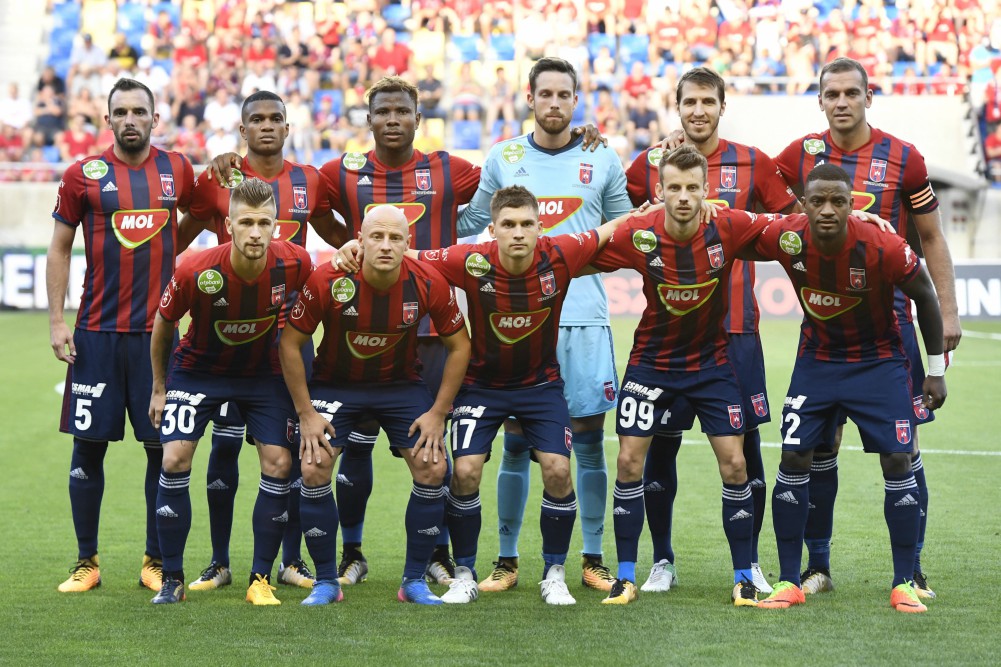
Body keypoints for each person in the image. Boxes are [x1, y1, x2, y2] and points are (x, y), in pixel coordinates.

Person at [337, 186, 630, 604]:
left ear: (540, 228)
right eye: (508, 224)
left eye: (526, 224)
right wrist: (356, 247)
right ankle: (464, 574)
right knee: (465, 471)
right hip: (482, 387)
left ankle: (554, 574)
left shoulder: (561, 253)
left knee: (558, 470)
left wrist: (648, 210)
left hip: (541, 386)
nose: (518, 233)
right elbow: (411, 254)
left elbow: (610, 229)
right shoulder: (470, 260)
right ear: (492, 230)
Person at [774, 56, 961, 599]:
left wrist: (948, 311)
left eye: (851, 93)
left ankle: (912, 569)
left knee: (904, 446)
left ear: (867, 97)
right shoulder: (801, 153)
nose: (841, 102)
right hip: (824, 327)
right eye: (831, 94)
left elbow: (931, 237)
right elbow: (755, 182)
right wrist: (682, 143)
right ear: (820, 100)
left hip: (890, 326)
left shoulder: (904, 157)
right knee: (819, 445)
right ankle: (818, 567)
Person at [457, 57, 632, 593]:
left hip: (583, 319)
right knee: (515, 443)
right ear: (529, 98)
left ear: (576, 101)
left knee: (588, 441)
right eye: (546, 94)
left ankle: (592, 557)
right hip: (519, 321)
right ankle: (507, 560)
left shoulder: (600, 156)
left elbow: (625, 228)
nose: (555, 103)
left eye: (564, 94)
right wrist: (403, 216)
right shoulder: (503, 157)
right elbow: (471, 221)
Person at [625, 67, 800, 594]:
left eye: (708, 101)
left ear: (723, 106)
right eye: (690, 102)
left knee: (745, 450)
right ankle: (662, 560)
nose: (698, 110)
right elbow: (619, 214)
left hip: (736, 330)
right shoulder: (649, 164)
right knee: (660, 447)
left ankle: (748, 564)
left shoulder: (754, 162)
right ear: (676, 106)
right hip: (670, 336)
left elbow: (795, 224)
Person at [751, 164, 946, 614]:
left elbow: (926, 296)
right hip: (817, 361)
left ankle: (904, 583)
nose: (827, 209)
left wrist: (935, 371)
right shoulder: (787, 237)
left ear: (852, 204)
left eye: (837, 201)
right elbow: (735, 234)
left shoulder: (882, 245)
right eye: (817, 201)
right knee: (794, 456)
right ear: (803, 204)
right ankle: (789, 581)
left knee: (898, 458)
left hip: (878, 362)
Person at [175, 90, 344, 593]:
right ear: (242, 130)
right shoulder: (218, 178)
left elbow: (334, 232)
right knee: (224, 449)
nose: (267, 126)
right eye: (257, 119)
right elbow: (179, 234)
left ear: (288, 128)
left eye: (276, 119)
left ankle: (290, 561)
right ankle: (219, 561)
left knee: (288, 455)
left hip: (287, 341)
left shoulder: (310, 180)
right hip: (228, 341)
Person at [588, 145, 769, 606]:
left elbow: (790, 229)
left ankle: (744, 575)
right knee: (629, 463)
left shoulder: (728, 225)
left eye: (692, 188)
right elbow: (579, 255)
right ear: (660, 190)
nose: (684, 196)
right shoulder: (640, 233)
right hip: (652, 363)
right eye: (674, 188)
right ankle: (626, 576)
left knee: (736, 465)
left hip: (711, 364)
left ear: (706, 190)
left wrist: (858, 219)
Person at [279, 205, 471, 605]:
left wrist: (438, 413)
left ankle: (413, 581)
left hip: (400, 386)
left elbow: (460, 345)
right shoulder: (329, 279)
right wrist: (306, 413)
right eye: (376, 237)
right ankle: (326, 582)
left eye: (395, 238)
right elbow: (291, 343)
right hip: (336, 384)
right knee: (313, 464)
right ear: (360, 241)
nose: (385, 245)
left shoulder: (427, 281)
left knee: (433, 465)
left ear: (408, 242)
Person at [47, 78, 194, 594]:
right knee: (87, 449)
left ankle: (154, 560)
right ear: (107, 119)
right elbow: (60, 248)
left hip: (159, 337)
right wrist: (57, 320)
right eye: (121, 112)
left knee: (161, 451)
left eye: (139, 111)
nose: (130, 119)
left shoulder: (177, 169)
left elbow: (204, 211)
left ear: (156, 118)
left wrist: (175, 249)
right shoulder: (82, 175)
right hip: (96, 336)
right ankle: (86, 562)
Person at [148, 177, 313, 605]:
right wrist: (160, 387)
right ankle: (172, 579)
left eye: (264, 223)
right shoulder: (195, 270)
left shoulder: (296, 262)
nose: (255, 233)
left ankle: (260, 579)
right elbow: (164, 323)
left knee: (279, 462)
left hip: (262, 373)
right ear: (229, 225)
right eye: (246, 223)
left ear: (276, 225)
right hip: (198, 370)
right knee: (174, 456)